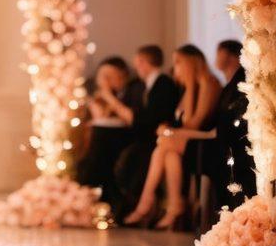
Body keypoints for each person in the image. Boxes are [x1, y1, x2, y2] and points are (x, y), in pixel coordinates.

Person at [124, 45, 222, 230]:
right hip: (189, 138)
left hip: (206, 139)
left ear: (191, 62)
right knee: (168, 152)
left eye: (179, 62)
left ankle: (152, 203)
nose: (175, 67)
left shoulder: (209, 82)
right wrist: (168, 127)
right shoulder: (187, 86)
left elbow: (195, 123)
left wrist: (192, 86)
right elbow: (183, 123)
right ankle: (173, 204)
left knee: (164, 143)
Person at [111, 45, 183, 220]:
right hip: (150, 137)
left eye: (137, 63)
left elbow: (152, 119)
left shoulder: (163, 83)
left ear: (143, 62)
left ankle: (141, 206)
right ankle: (139, 206)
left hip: (154, 139)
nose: (136, 68)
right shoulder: (149, 84)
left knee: (131, 156)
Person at [75, 57, 138, 197]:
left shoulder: (131, 90)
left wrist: (108, 95)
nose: (107, 80)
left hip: (122, 138)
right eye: (104, 76)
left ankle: (89, 186)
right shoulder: (94, 92)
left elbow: (129, 118)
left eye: (110, 76)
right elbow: (99, 115)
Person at [212, 40, 250, 212]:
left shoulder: (241, 81)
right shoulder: (228, 85)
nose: (216, 57)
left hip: (234, 144)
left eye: (219, 52)